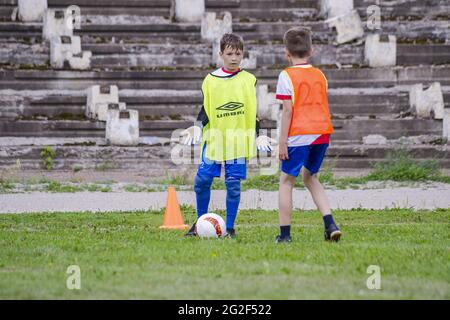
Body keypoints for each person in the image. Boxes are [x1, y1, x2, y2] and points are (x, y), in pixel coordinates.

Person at [180, 33, 273, 238]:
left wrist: (259, 134)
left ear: (243, 55)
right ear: (221, 54)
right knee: (202, 181)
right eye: (229, 53)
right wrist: (197, 125)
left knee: (233, 184)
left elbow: (251, 111)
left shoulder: (249, 80)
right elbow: (207, 108)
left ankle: (229, 228)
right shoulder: (211, 80)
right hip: (214, 140)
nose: (234, 57)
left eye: (238, 53)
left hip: (237, 142)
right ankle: (200, 224)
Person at [275, 27, 342, 243]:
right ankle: (330, 224)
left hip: (299, 134)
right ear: (311, 51)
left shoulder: (286, 75)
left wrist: (283, 142)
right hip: (322, 132)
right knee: (310, 177)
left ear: (286, 52)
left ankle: (284, 235)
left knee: (286, 181)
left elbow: (287, 110)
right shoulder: (320, 75)